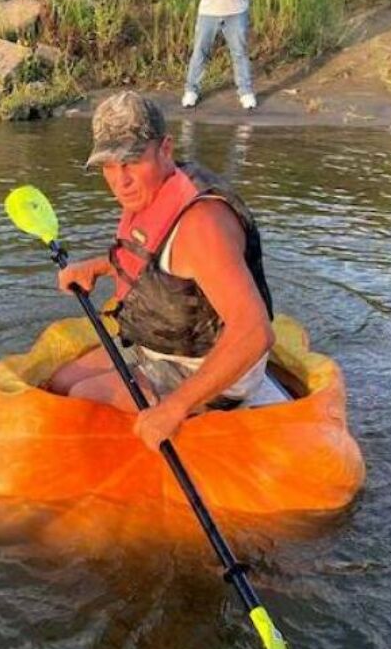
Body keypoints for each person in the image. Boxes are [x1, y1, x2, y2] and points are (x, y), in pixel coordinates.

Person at [47, 91, 285, 452]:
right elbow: (148, 257)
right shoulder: (154, 190)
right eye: (109, 165)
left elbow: (254, 333)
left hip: (207, 368)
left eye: (131, 161)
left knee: (82, 396)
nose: (119, 180)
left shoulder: (202, 225)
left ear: (166, 149)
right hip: (161, 346)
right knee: (61, 382)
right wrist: (96, 266)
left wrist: (175, 407)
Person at [182, 0, 267, 111]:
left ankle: (245, 92)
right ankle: (191, 90)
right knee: (200, 51)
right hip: (209, 10)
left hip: (237, 10)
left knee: (239, 52)